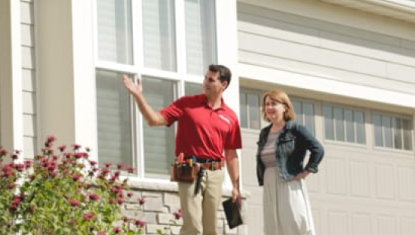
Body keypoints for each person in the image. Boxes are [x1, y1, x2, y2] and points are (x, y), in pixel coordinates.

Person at [123, 64, 242, 235]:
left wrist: (236, 186)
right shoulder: (187, 104)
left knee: (210, 230)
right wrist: (138, 96)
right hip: (188, 167)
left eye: (211, 79)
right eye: (205, 78)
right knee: (193, 226)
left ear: (223, 85)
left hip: (216, 173)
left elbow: (231, 154)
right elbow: (154, 120)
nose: (205, 82)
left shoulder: (230, 116)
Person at [256, 90, 324, 235]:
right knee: (272, 227)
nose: (269, 107)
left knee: (293, 223)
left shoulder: (295, 129)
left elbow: (318, 149)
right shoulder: (264, 133)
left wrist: (306, 171)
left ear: (285, 107)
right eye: (266, 104)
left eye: (273, 103)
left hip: (288, 182)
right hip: (269, 184)